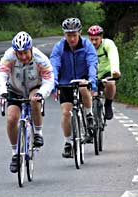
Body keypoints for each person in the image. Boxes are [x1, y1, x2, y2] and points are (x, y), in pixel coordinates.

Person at [0, 31, 54, 173]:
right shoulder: (9, 55)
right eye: (19, 53)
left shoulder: (40, 58)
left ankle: (38, 132)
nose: (22, 57)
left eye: (25, 53)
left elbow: (49, 79)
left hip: (34, 88)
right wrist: (2, 92)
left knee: (34, 101)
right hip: (15, 89)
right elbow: (1, 73)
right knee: (11, 119)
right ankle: (15, 154)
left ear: (31, 49)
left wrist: (42, 93)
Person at [50, 18, 98, 158]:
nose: (71, 38)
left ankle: (89, 115)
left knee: (83, 87)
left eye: (74, 35)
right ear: (64, 34)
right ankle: (68, 143)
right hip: (66, 82)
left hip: (82, 78)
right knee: (66, 113)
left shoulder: (87, 45)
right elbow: (54, 64)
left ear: (80, 33)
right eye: (68, 35)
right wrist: (54, 82)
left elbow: (92, 63)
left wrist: (92, 80)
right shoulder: (59, 47)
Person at [87, 25, 121, 120]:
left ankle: (108, 104)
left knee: (111, 83)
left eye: (96, 39)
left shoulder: (108, 44)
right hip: (90, 73)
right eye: (91, 39)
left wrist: (115, 70)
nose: (93, 42)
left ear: (101, 37)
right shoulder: (85, 45)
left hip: (105, 72)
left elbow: (113, 56)